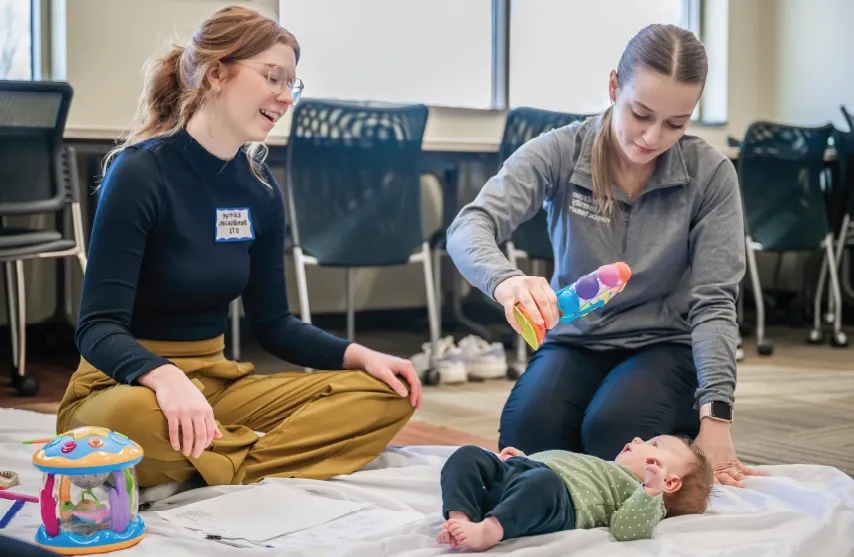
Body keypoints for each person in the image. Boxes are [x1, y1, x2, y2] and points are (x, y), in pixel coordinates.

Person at [56, 5, 421, 489]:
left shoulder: (260, 186)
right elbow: (98, 328)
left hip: (218, 383)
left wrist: (359, 355)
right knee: (131, 421)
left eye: (292, 83)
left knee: (386, 394)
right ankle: (253, 454)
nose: (285, 97)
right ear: (215, 73)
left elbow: (274, 325)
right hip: (125, 385)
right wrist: (164, 378)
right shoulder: (140, 172)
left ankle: (218, 459)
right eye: (273, 77)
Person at [445, 23, 766, 488]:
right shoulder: (560, 150)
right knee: (531, 441)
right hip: (575, 340)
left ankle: (675, 429)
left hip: (663, 344)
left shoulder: (711, 174)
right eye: (640, 113)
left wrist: (716, 419)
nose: (653, 137)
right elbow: (469, 226)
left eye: (676, 123)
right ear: (614, 86)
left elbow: (715, 302)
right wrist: (506, 280)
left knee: (615, 438)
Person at [436, 436, 713, 551]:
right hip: (523, 474)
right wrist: (522, 458)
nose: (639, 439)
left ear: (670, 483)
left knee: (542, 482)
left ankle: (489, 530)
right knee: (468, 455)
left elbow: (627, 529)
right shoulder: (601, 465)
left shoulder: (641, 495)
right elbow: (555, 461)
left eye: (654, 443)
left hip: (557, 501)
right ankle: (461, 517)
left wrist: (650, 491)